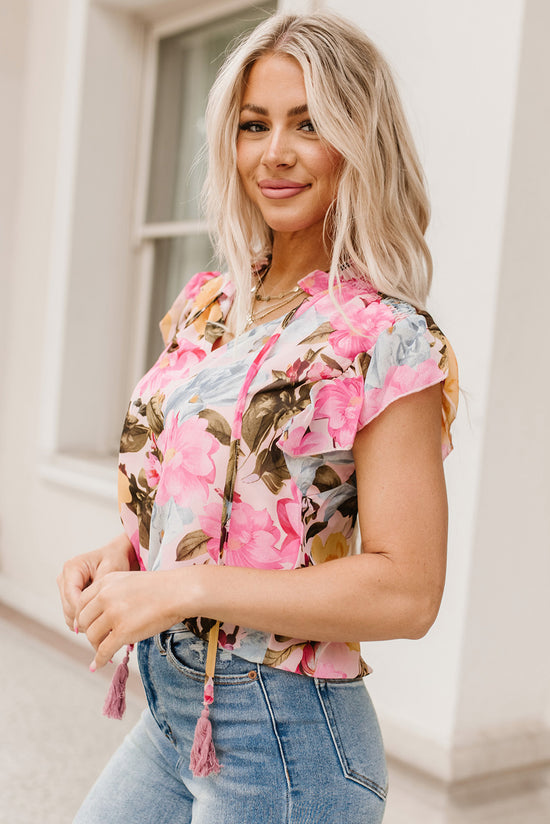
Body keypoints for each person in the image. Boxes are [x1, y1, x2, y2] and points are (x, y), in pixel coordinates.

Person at [58, 11, 458, 824]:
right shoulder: (208, 308)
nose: (274, 152)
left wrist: (182, 588)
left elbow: (409, 592)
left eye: (309, 124)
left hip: (287, 741)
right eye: (254, 125)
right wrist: (124, 554)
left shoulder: (386, 338)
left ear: (359, 141)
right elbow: (215, 497)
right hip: (174, 713)